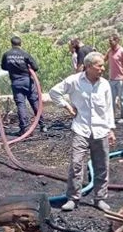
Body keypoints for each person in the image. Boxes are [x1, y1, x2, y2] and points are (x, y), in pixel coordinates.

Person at [49, 51, 116, 212]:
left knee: (102, 165)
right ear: (89, 66)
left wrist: (111, 130)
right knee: (76, 164)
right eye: (99, 66)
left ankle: (100, 198)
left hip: (101, 130)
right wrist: (67, 106)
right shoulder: (74, 81)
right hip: (81, 129)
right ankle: (73, 198)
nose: (103, 68)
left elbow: (108, 109)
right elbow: (54, 92)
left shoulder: (104, 84)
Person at [2, 36, 45, 134]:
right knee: (34, 102)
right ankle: (43, 125)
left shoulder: (6, 55)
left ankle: (24, 129)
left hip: (16, 83)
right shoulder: (25, 54)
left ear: (11, 44)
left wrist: (12, 68)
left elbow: (4, 67)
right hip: (27, 82)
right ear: (20, 44)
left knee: (21, 105)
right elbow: (35, 67)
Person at [105, 33, 123, 124]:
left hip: (120, 79)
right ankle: (112, 116)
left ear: (116, 41)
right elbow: (104, 59)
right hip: (112, 79)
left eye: (111, 41)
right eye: (109, 41)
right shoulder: (109, 51)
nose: (109, 43)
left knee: (122, 99)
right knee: (111, 99)